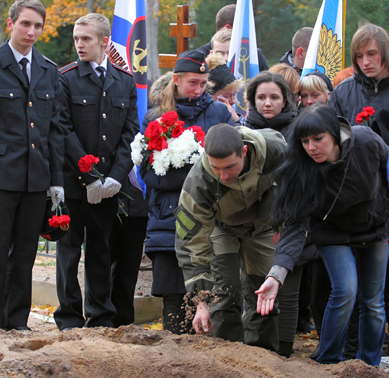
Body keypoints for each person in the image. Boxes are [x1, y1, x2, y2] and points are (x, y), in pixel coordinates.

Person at [256, 103, 389, 366]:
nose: (311, 147)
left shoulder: (366, 142)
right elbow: (294, 225)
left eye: (318, 139)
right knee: (346, 290)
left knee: (373, 302)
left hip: (375, 227)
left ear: (335, 134)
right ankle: (327, 362)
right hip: (331, 232)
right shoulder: (299, 168)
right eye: (305, 141)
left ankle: (368, 366)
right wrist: (277, 274)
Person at [54, 13, 139, 331]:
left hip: (109, 186)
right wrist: (89, 177)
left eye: (85, 38)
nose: (79, 44)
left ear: (104, 41)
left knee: (101, 250)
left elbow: (130, 133)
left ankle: (101, 316)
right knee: (68, 252)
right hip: (74, 184)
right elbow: (62, 130)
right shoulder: (66, 78)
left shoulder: (124, 81)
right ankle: (68, 318)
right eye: (77, 38)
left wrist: (116, 176)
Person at [140, 50, 232, 335]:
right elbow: (149, 173)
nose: (199, 89)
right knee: (174, 299)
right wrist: (196, 173)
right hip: (169, 217)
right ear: (176, 80)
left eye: (204, 83)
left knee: (212, 295)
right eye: (193, 82)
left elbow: (230, 161)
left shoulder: (218, 112)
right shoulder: (155, 117)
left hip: (210, 216)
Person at [175, 124, 286, 351]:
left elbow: (297, 185)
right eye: (216, 168)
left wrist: (284, 222)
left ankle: (263, 358)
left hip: (263, 227)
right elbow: (191, 244)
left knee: (263, 293)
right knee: (224, 292)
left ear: (244, 151)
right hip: (220, 227)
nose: (223, 176)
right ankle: (227, 358)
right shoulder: (198, 183)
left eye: (230, 167)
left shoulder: (275, 151)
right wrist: (201, 301)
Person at [0, 0, 64, 331]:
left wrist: (56, 180)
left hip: (35, 178)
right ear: (10, 24)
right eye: (25, 24)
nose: (32, 32)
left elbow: (54, 130)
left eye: (38, 26)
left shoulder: (47, 70)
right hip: (2, 176)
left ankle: (15, 322)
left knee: (25, 253)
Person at [329, 22, 389, 123]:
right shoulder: (341, 93)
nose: (365, 62)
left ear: (385, 52)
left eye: (371, 54)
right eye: (359, 56)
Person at [197, 4, 269, 72]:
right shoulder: (198, 58)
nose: (246, 35)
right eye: (243, 31)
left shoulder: (254, 56)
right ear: (227, 28)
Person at [245, 71, 295, 136]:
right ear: (254, 101)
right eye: (261, 97)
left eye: (274, 97)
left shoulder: (297, 131)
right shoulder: (244, 132)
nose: (267, 104)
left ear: (284, 102)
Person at [206, 54, 244, 123]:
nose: (233, 101)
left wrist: (236, 119)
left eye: (234, 95)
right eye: (226, 96)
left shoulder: (233, 115)